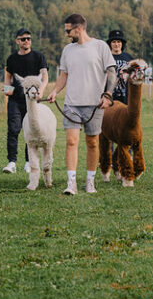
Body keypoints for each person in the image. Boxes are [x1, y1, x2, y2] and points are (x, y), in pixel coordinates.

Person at [46, 14, 117, 195]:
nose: (66, 34)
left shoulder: (100, 47)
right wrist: (55, 91)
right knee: (71, 141)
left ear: (79, 28)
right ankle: (71, 183)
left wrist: (108, 95)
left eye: (68, 30)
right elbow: (64, 75)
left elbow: (111, 73)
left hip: (95, 105)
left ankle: (90, 181)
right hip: (72, 104)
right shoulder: (68, 50)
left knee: (93, 142)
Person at [2, 28, 49, 174]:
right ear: (17, 41)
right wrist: (7, 89)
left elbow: (45, 76)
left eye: (28, 38)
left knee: (31, 130)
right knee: (14, 129)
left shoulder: (38, 57)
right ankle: (11, 162)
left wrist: (41, 91)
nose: (26, 41)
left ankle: (29, 162)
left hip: (33, 100)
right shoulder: (12, 59)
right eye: (23, 39)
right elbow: (8, 77)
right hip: (16, 100)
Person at [106, 29, 134, 105]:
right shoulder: (106, 57)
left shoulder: (129, 58)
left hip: (126, 97)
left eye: (119, 42)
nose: (116, 44)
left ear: (122, 43)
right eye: (114, 42)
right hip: (109, 97)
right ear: (110, 44)